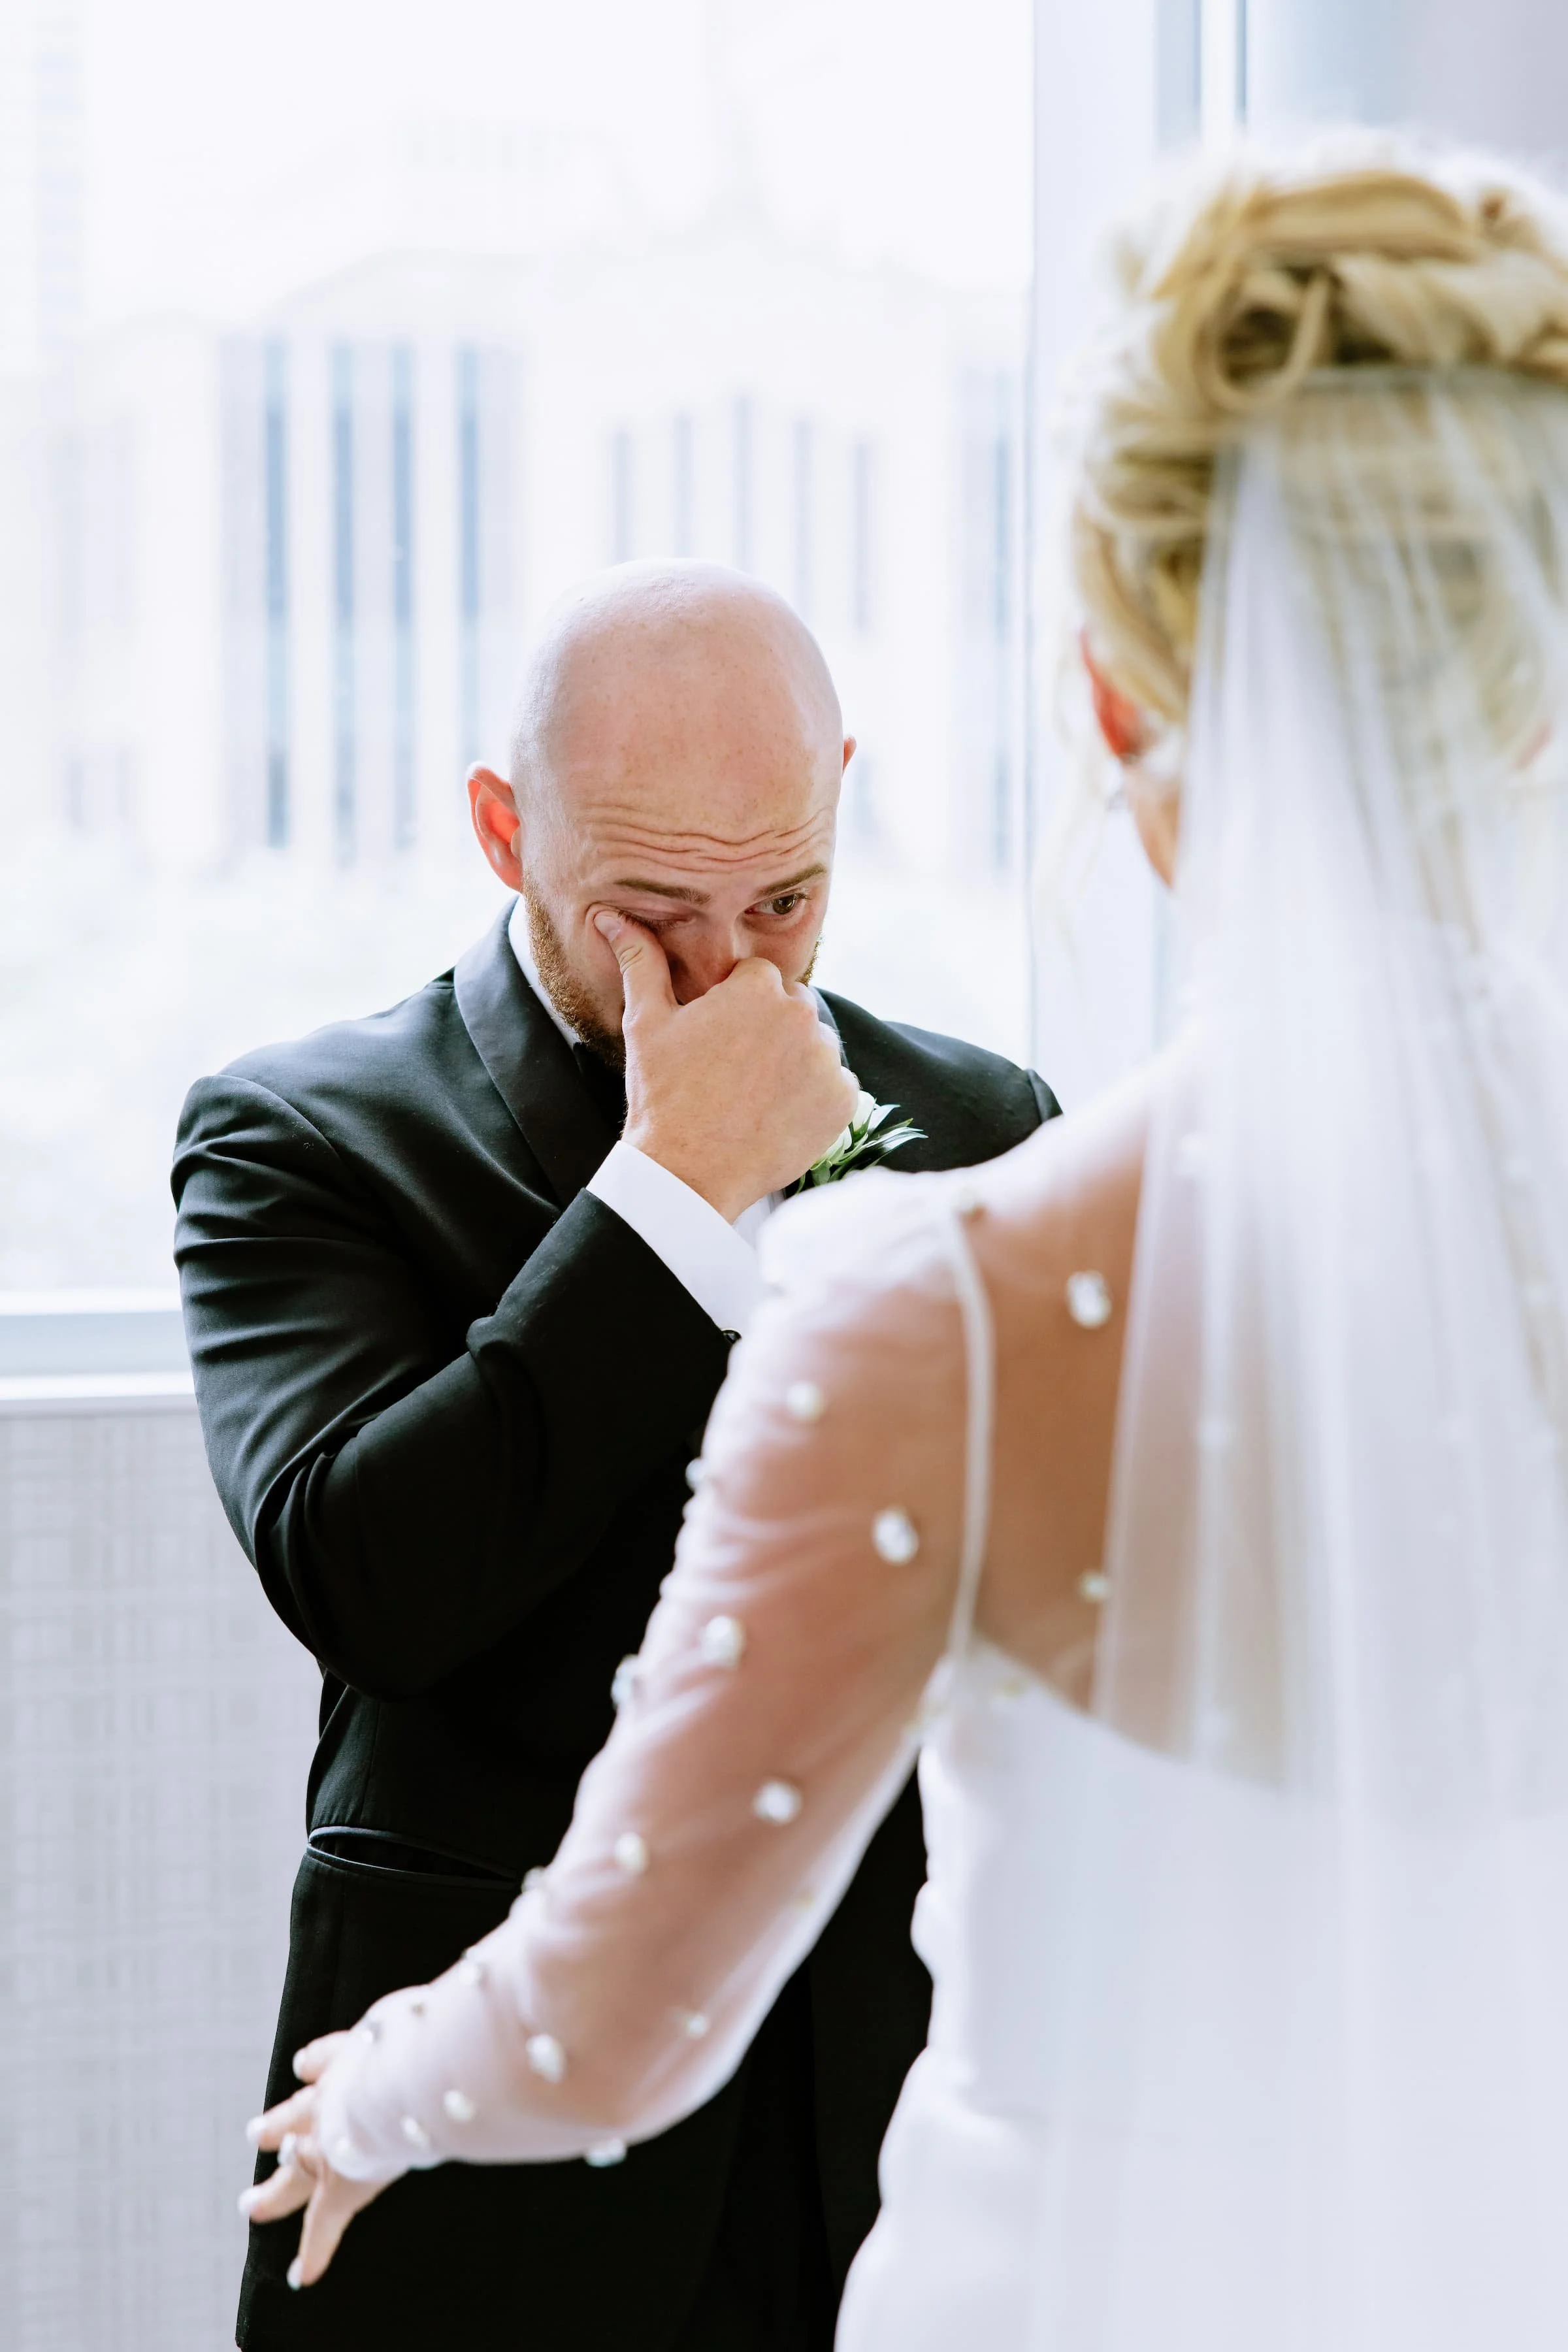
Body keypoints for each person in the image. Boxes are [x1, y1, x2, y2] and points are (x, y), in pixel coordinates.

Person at [242, 138, 1568, 2347]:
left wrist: (377, 2091)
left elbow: (622, 2006)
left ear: (1113, 693)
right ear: (1527, 687)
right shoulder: (298, 1134)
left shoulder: (949, 1294)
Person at [173, 560, 1056, 2352]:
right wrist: (670, 1193)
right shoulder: (296, 1137)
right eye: (651, 912)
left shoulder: (986, 1125)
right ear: (507, 832)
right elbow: (375, 1584)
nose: (730, 970)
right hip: (481, 2140)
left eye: (789, 899)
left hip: (900, 2106)